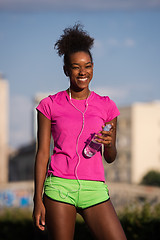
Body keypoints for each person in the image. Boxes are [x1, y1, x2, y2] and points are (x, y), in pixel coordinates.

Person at [32, 23, 127, 240]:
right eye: (76, 67)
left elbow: (110, 158)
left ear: (93, 68)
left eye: (88, 66)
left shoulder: (107, 106)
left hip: (94, 189)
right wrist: (38, 200)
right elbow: (42, 154)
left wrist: (110, 143)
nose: (83, 72)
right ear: (66, 70)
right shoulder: (49, 105)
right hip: (59, 188)